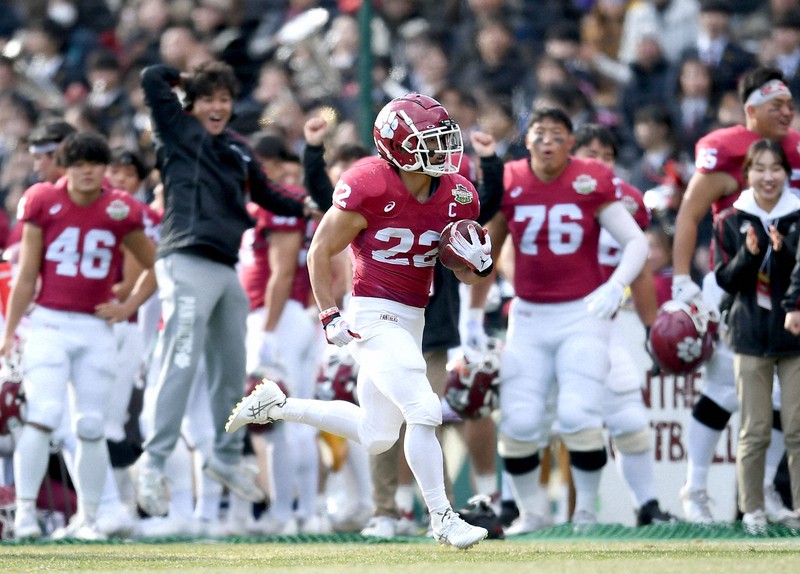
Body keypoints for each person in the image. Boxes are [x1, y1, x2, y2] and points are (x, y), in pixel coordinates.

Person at [227, 93, 493, 549]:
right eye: (431, 140)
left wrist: (476, 263)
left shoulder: (458, 193)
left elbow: (461, 272)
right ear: (400, 145)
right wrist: (330, 311)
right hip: (372, 313)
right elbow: (320, 251)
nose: (444, 149)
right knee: (424, 409)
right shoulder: (369, 183)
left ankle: (277, 405)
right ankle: (443, 518)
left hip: (413, 316)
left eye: (443, 138)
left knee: (376, 435)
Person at [135, 59, 307, 518]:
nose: (217, 106)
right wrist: (189, 79)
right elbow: (152, 77)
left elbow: (270, 194)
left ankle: (226, 458)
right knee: (182, 359)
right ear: (191, 102)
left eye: (225, 98)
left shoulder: (238, 148)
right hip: (185, 258)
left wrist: (312, 202)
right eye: (209, 98)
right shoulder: (176, 129)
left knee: (233, 371)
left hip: (224, 269)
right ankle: (152, 462)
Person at [479, 108, 648, 534]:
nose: (548, 141)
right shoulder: (510, 178)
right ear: (527, 140)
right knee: (518, 421)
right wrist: (468, 317)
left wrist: (616, 285)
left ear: (570, 142)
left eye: (557, 133)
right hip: (529, 315)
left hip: (581, 314)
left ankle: (585, 513)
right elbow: (485, 256)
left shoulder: (591, 177)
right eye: (540, 133)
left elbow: (635, 242)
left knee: (578, 416)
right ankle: (532, 514)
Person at [2, 132, 156, 540]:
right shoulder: (42, 200)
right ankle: (26, 515)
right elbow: (26, 275)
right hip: (49, 321)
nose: (87, 171)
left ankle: (89, 519)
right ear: (65, 167)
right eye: (78, 163)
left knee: (90, 424)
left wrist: (128, 305)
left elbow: (156, 265)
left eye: (94, 163)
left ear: (104, 169)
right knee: (43, 416)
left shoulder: (120, 209)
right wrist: (10, 331)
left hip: (95, 326)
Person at [671, 66, 799, 523]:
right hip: (735, 285)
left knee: (784, 397)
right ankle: (696, 488)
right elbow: (689, 213)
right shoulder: (724, 150)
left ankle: (763, 493)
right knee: (725, 386)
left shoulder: (794, 148)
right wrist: (682, 278)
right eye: (776, 105)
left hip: (786, 287)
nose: (787, 112)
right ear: (750, 110)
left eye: (789, 104)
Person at [571, 124, 677, 526]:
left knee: (629, 418)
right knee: (535, 419)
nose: (599, 163)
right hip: (551, 317)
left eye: (608, 156)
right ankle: (527, 508)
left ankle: (646, 504)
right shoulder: (551, 190)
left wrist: (652, 329)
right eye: (591, 153)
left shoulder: (629, 201)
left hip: (605, 323)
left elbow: (642, 271)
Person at [713, 139, 800, 532]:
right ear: (747, 174)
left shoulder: (797, 216)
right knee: (754, 429)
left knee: (797, 429)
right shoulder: (730, 220)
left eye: (775, 168)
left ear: (786, 172)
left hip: (794, 338)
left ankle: (796, 509)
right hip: (749, 336)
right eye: (759, 168)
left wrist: (782, 254)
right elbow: (726, 279)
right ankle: (751, 510)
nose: (768, 177)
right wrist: (749, 255)